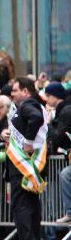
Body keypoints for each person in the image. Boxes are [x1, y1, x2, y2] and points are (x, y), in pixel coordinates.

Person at [4, 78, 47, 240]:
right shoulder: (30, 105)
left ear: (26, 92)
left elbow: (35, 119)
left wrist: (28, 142)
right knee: (30, 207)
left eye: (15, 90)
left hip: (24, 166)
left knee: (22, 207)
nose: (12, 94)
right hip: (27, 166)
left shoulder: (29, 104)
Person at [42, 82, 71, 224]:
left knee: (65, 176)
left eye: (48, 95)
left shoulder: (65, 111)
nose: (46, 99)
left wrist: (48, 123)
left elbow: (59, 137)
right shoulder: (62, 110)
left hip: (64, 159)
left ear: (55, 96)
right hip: (62, 159)